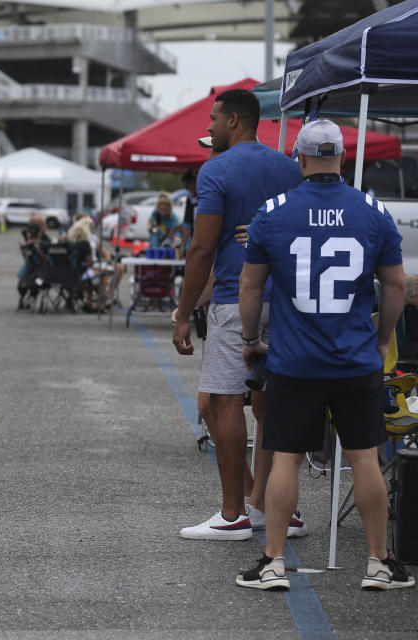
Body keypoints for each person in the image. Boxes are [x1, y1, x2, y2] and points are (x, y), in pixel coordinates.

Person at [236, 119, 413, 591]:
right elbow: (394, 285)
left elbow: (251, 286)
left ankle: (273, 562)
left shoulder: (272, 213)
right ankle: (379, 563)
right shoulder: (373, 211)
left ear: (299, 158)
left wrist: (251, 337)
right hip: (356, 359)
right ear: (342, 157)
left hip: (295, 360)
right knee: (365, 459)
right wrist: (382, 338)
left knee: (286, 458)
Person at [172, 88, 302, 541]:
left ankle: (233, 515)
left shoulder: (216, 169)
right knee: (275, 402)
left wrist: (184, 312)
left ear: (233, 121)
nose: (207, 127)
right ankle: (278, 507)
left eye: (212, 119)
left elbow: (202, 247)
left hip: (236, 298)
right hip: (286, 301)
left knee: (223, 400)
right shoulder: (290, 167)